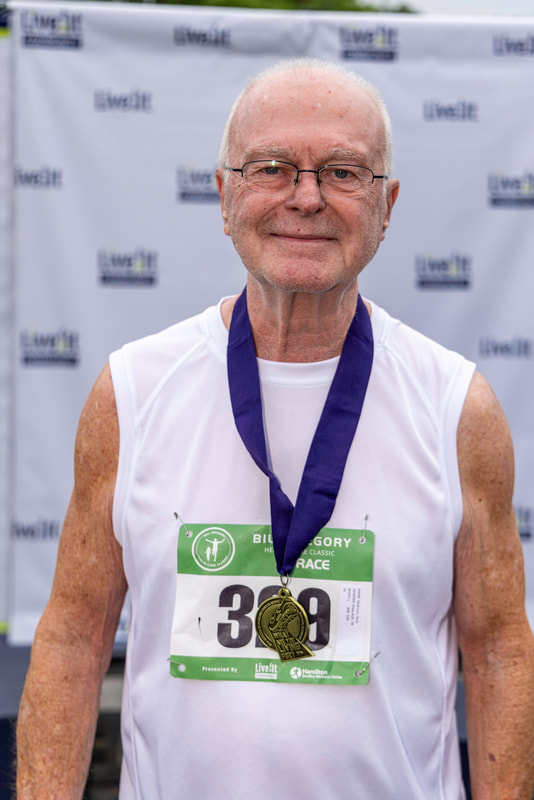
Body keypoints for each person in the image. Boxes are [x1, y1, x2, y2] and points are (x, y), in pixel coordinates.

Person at [16, 58, 534, 800]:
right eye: (272, 168)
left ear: (387, 205)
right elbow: (72, 638)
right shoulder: (131, 394)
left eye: (344, 173)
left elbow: (498, 654)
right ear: (224, 195)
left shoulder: (458, 410)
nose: (307, 197)